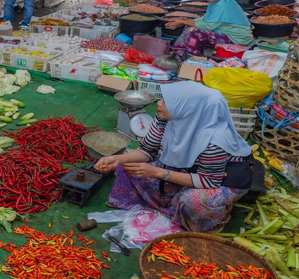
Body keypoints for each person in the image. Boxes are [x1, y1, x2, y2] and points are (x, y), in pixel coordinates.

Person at [97, 81, 252, 233]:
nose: (159, 103)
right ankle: (171, 203)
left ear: (187, 108)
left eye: (166, 101)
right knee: (128, 168)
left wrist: (157, 172)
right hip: (184, 169)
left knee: (196, 203)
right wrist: (116, 159)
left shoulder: (215, 140)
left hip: (218, 179)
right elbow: (146, 151)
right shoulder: (165, 118)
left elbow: (208, 180)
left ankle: (199, 215)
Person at [166, 0, 252, 60]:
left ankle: (191, 59)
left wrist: (183, 22)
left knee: (193, 31)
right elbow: (205, 19)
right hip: (226, 34)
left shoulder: (222, 6)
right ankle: (181, 54)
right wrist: (186, 20)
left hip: (236, 39)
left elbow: (208, 26)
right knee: (189, 28)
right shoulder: (219, 2)